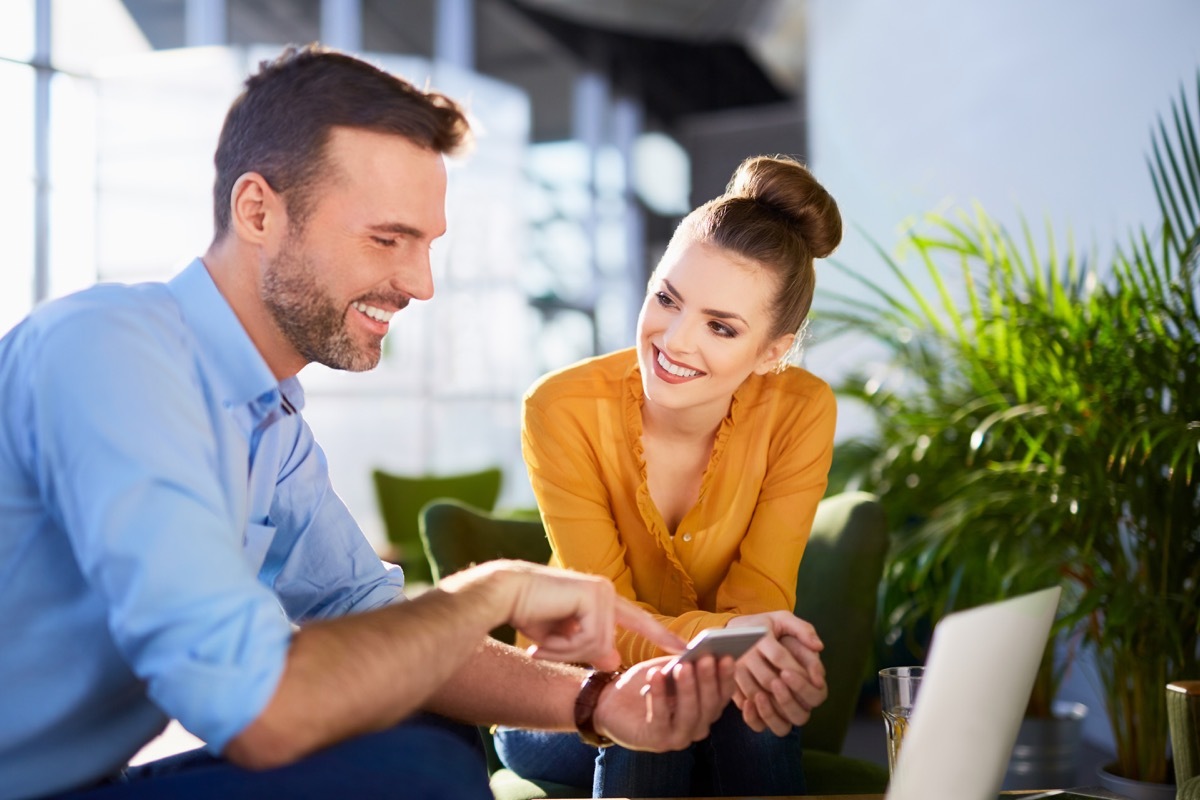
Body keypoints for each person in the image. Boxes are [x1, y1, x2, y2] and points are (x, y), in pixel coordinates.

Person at [0, 45, 739, 800]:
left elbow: (374, 621)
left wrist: (597, 704)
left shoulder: (271, 422)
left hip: (86, 780)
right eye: (388, 240)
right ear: (258, 211)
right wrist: (492, 593)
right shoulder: (111, 353)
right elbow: (257, 710)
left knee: (420, 722)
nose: (420, 284)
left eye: (427, 245)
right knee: (410, 769)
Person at [494, 154, 843, 797]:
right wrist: (727, 643)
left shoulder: (802, 411)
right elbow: (608, 623)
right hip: (571, 690)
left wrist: (735, 647)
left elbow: (761, 600)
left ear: (773, 351)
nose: (675, 341)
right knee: (658, 707)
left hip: (723, 687)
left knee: (735, 706)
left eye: (720, 326)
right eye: (666, 298)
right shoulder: (560, 408)